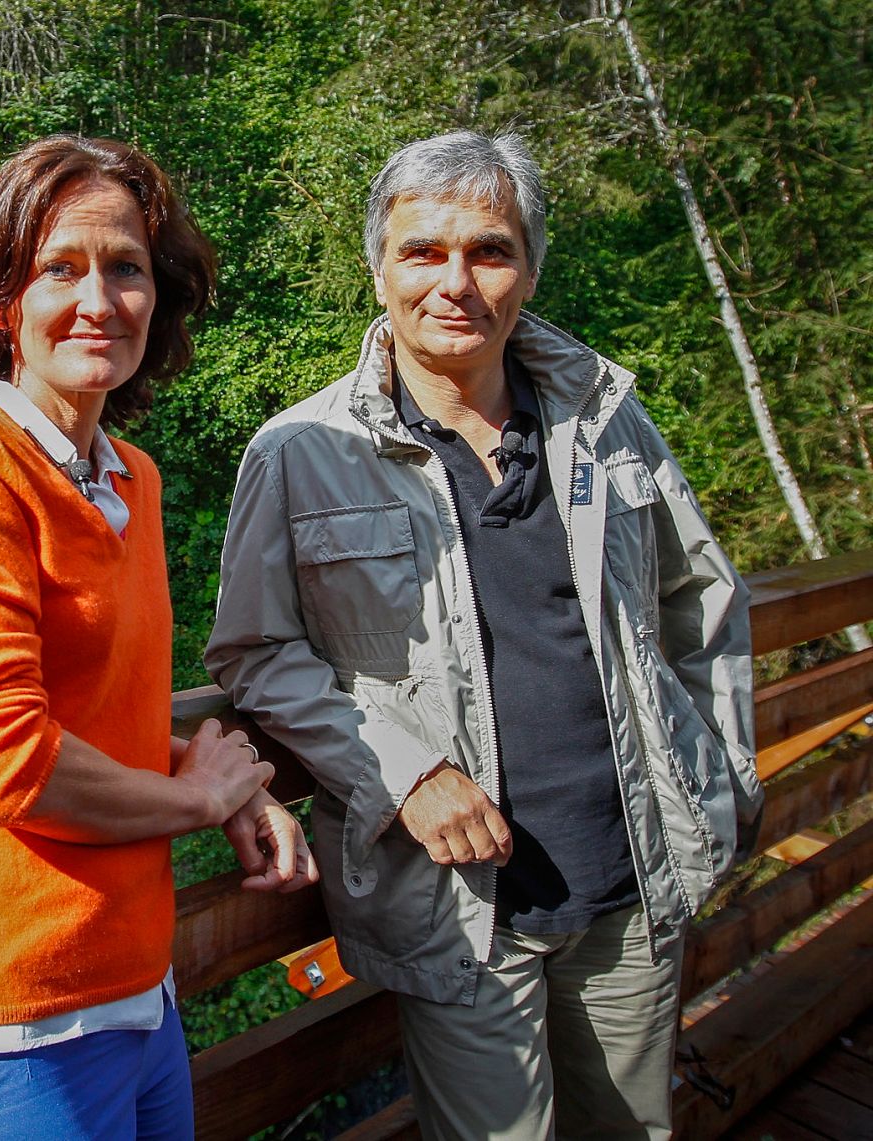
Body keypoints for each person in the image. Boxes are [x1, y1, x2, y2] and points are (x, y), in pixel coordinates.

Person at [205, 130, 761, 1140]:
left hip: (627, 882)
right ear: (377, 267)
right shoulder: (299, 451)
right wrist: (404, 771)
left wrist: (722, 777)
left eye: (488, 250)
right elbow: (253, 653)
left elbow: (701, 602)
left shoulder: (603, 421)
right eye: (422, 250)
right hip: (454, 906)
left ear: (528, 268)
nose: (452, 281)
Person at [0, 134, 318, 1140]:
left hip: (132, 993)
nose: (97, 298)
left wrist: (217, 773)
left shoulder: (128, 480)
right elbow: (1, 758)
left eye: (127, 268)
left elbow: (90, 710)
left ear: (161, 298)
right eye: (57, 267)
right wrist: (197, 796)